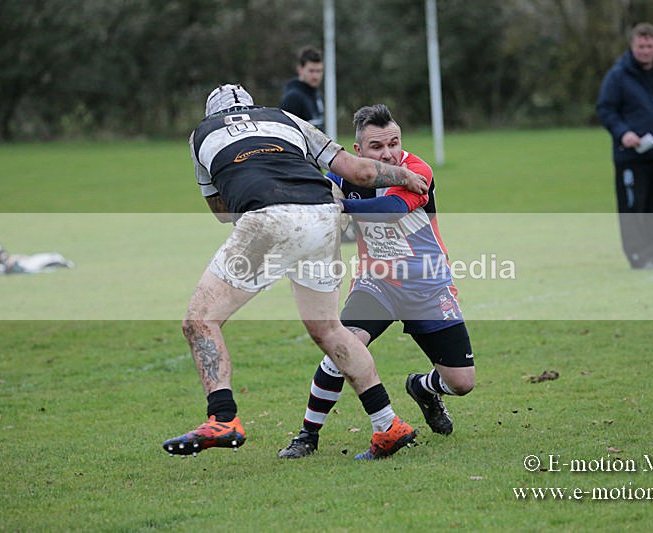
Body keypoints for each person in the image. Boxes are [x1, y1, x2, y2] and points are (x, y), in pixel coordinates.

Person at [162, 84, 429, 461]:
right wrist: (400, 174)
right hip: (323, 214)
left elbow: (222, 211)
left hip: (267, 220)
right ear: (255, 108)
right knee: (329, 328)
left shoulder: (201, 134)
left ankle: (222, 417)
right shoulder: (285, 118)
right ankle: (387, 424)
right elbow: (355, 170)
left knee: (200, 320)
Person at [278, 104, 475, 459]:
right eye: (377, 147)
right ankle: (307, 435)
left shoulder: (417, 171)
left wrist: (340, 209)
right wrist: (323, 196)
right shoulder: (345, 176)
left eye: (393, 143)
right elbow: (322, 192)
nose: (388, 154)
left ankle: (423, 388)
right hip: (377, 283)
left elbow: (393, 211)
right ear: (358, 152)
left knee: (462, 383)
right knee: (342, 347)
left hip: (428, 285)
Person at [596, 22, 653, 270]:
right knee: (634, 207)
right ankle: (637, 255)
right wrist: (623, 133)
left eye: (650, 45)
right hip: (632, 156)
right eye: (641, 46)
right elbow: (605, 109)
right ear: (632, 46)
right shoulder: (618, 75)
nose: (646, 50)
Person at [279, 47, 324, 131]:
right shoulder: (292, 98)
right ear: (300, 70)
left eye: (319, 71)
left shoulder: (317, 94)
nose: (315, 76)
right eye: (311, 71)